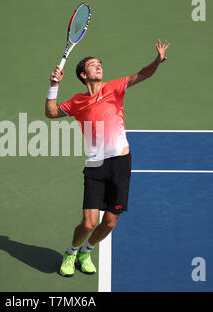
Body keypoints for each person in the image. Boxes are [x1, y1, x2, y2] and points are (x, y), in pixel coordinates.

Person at [45, 39, 171, 277]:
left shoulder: (114, 87)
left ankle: (87, 251)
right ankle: (71, 252)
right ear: (84, 75)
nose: (99, 67)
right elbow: (51, 112)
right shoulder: (77, 102)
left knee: (111, 222)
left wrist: (156, 62)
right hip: (96, 164)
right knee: (88, 223)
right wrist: (53, 86)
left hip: (121, 162)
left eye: (100, 64)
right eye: (93, 65)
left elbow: (142, 75)